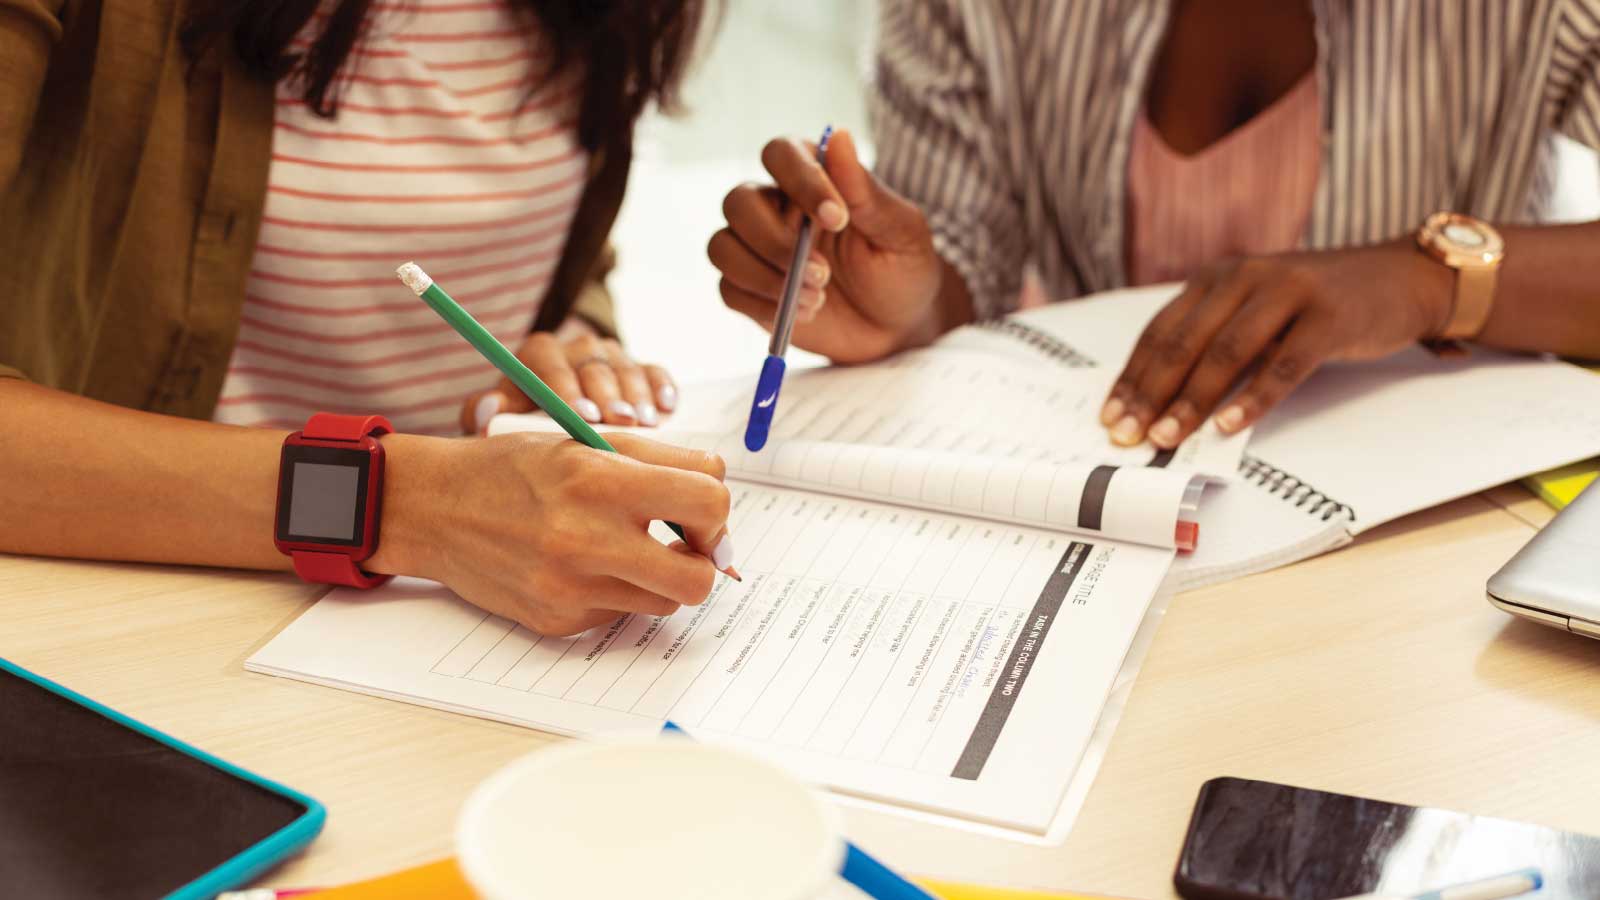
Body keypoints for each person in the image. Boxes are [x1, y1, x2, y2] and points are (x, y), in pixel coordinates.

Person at [0, 0, 734, 637]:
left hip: (464, 610)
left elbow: (561, 256)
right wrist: (405, 505)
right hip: (160, 613)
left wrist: (574, 347)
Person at [710, 0, 1600, 454]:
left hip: (1431, 527)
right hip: (1108, 506)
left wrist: (1430, 277)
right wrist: (899, 305)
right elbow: (961, 259)